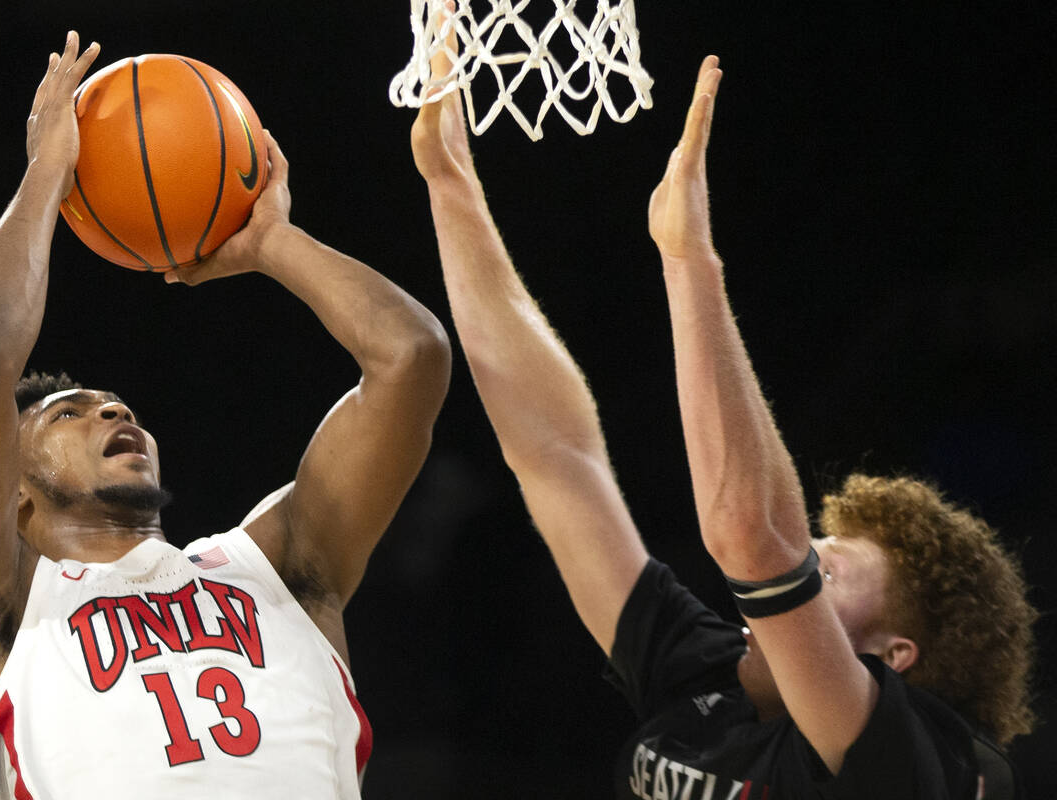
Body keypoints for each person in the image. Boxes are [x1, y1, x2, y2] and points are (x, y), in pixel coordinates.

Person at [411, 44, 1037, 798]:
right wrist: (451, 187)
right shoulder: (710, 678)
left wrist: (690, 262)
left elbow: (755, 539)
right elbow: (556, 458)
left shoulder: (917, 766)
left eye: (827, 571)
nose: (801, 560)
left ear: (892, 656)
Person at [0, 32, 450, 799]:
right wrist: (46, 175)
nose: (112, 407)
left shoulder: (277, 565)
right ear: (16, 494)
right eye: (71, 414)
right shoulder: (0, 609)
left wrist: (272, 241)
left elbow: (412, 357)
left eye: (113, 403)